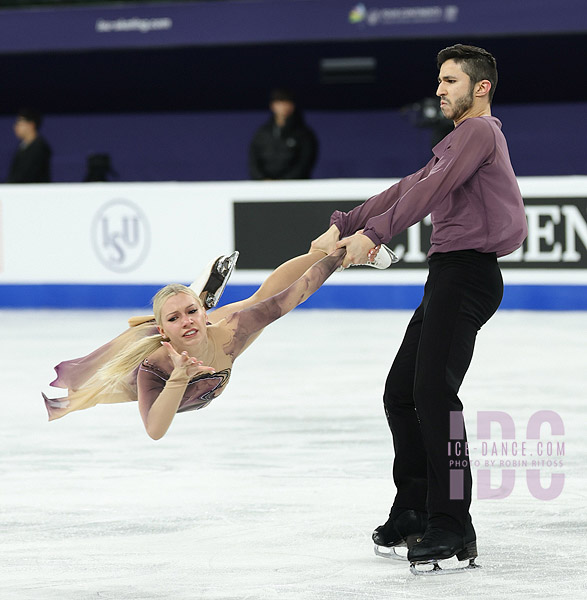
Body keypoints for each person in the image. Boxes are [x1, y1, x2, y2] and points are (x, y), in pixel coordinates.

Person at [311, 44, 528, 571]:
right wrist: (345, 222)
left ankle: (452, 522)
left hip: (469, 276)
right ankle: (412, 508)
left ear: (481, 88)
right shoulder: (455, 143)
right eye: (439, 80)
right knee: (401, 394)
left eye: (450, 80)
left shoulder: (480, 131)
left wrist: (373, 234)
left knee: (433, 394)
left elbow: (424, 194)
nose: (438, 89)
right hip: (447, 278)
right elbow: (407, 187)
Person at [45, 242, 390, 438]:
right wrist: (177, 378)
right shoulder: (153, 368)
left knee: (260, 301)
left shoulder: (231, 332)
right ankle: (194, 297)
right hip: (157, 371)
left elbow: (292, 295)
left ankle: (198, 297)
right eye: (176, 318)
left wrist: (340, 255)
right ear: (165, 331)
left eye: (191, 313)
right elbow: (155, 430)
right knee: (90, 394)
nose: (187, 322)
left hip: (216, 341)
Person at [249, 88, 318, 180]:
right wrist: (263, 179)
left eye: (287, 102)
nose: (283, 106)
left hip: (294, 187)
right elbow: (253, 160)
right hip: (265, 187)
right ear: (273, 106)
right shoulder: (262, 133)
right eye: (280, 102)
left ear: (293, 105)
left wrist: (284, 182)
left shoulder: (304, 134)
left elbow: (304, 163)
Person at [6, 108, 52, 183]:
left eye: (19, 123)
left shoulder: (39, 148)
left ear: (31, 125)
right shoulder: (23, 146)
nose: (16, 127)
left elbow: (26, 175)